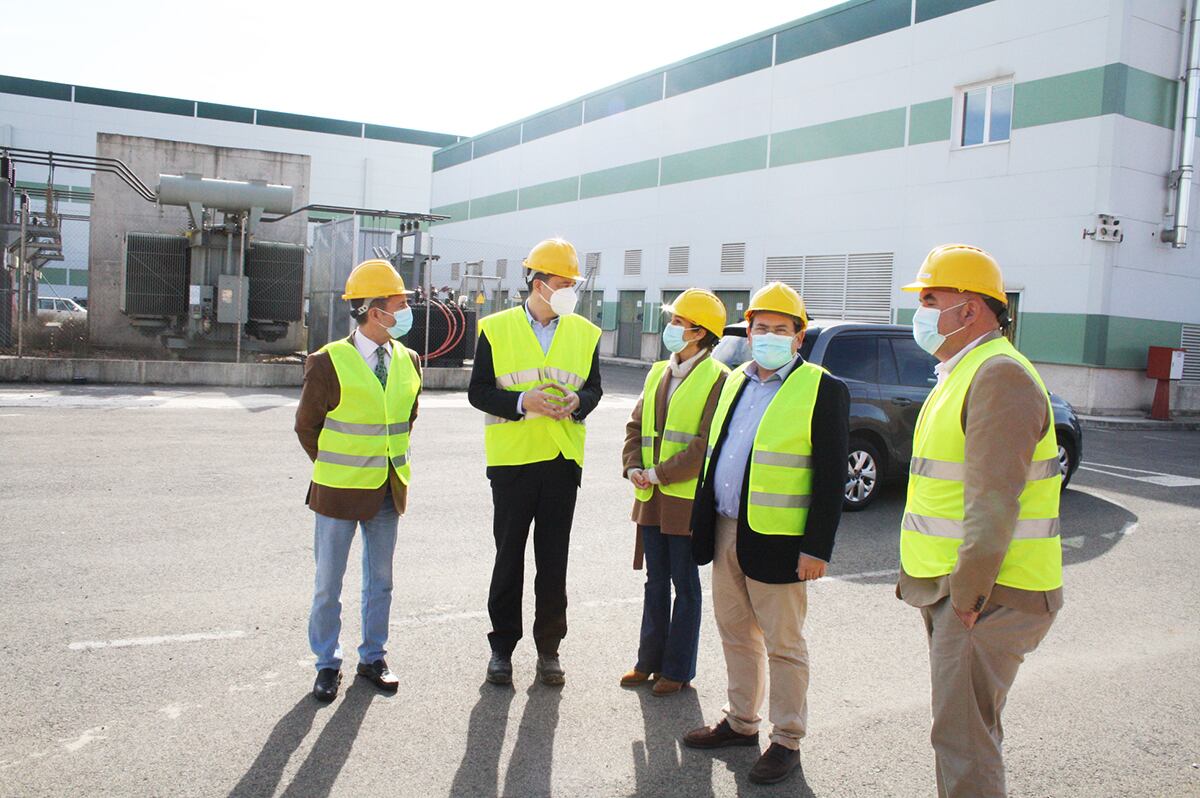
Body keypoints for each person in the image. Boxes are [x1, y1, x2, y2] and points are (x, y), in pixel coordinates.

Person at [896, 244, 1063, 798]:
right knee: (966, 734)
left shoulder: (998, 376)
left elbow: (994, 504)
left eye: (929, 299)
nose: (918, 313)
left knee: (964, 743)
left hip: (985, 598)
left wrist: (966, 599)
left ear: (969, 310)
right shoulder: (965, 370)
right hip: (961, 591)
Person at [682, 282, 849, 786]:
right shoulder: (735, 380)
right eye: (761, 328)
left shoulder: (823, 388)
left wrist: (816, 548)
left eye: (781, 329)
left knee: (783, 644)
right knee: (736, 635)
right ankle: (740, 722)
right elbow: (717, 455)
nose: (769, 336)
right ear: (748, 331)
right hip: (727, 528)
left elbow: (830, 477)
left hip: (780, 539)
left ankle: (787, 739)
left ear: (799, 337)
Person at [467, 237, 603, 686]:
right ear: (538, 283)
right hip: (512, 463)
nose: (571, 290)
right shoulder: (495, 328)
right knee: (508, 559)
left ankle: (549, 650)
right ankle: (501, 650)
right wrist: (523, 401)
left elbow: (594, 390)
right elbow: (479, 392)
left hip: (562, 462)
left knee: (553, 560)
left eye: (573, 283)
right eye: (564, 282)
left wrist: (577, 403)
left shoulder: (585, 333)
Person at [294, 259, 423, 702]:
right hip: (336, 494)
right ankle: (327, 664)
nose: (407, 311)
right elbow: (306, 428)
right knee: (329, 583)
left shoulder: (410, 361)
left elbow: (406, 419)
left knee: (380, 581)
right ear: (374, 310)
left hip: (388, 490)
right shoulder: (327, 362)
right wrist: (337, 465)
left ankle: (373, 658)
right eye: (400, 303)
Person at [620, 289, 730, 696]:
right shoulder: (657, 373)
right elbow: (636, 427)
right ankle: (648, 661)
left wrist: (658, 472)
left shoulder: (718, 378)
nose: (671, 328)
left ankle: (678, 669)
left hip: (684, 501)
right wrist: (633, 466)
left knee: (685, 586)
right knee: (655, 581)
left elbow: (704, 443)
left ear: (699, 332)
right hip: (651, 497)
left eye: (679, 322)